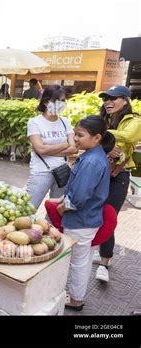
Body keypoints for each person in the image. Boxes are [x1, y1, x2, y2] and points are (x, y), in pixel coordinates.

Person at [54, 116, 112, 311]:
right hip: (87, 220)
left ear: (96, 138)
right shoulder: (92, 156)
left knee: (78, 262)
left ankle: (76, 300)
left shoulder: (91, 162)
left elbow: (79, 195)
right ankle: (76, 296)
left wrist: (63, 206)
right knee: (83, 260)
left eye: (80, 135)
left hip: (80, 221)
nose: (75, 139)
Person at [93, 85, 141, 283]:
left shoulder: (135, 120)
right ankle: (102, 251)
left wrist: (102, 133)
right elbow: (90, 141)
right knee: (95, 213)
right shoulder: (103, 119)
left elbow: (129, 137)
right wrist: (106, 145)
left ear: (125, 101)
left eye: (113, 98)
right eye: (106, 99)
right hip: (99, 172)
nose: (108, 102)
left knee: (108, 216)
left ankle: (105, 261)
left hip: (119, 175)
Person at [26, 85, 77, 209]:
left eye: (64, 100)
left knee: (56, 210)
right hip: (41, 172)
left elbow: (74, 148)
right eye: (57, 101)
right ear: (46, 101)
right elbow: (40, 149)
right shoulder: (35, 122)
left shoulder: (66, 122)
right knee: (28, 208)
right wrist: (65, 145)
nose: (61, 104)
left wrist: (47, 150)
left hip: (62, 171)